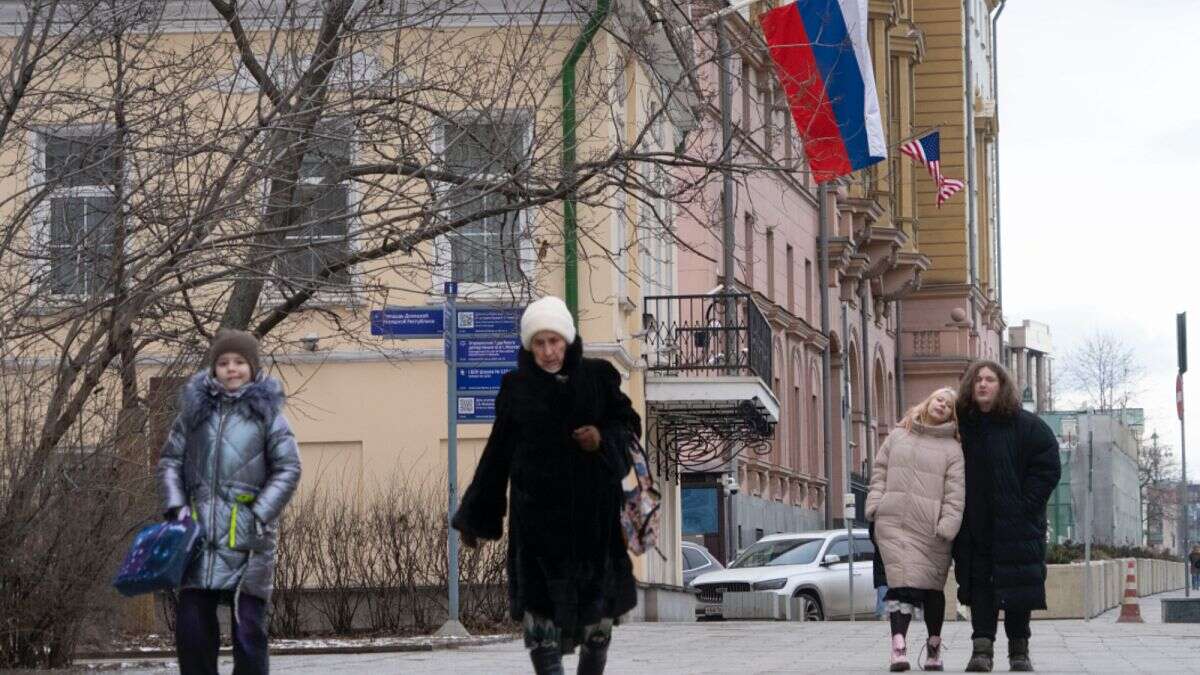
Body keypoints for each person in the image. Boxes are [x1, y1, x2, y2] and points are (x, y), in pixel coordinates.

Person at [452, 296, 641, 675]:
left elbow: (630, 428)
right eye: (539, 343)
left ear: (567, 340)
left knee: (598, 626)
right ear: (529, 346)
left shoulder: (598, 377)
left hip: (594, 527)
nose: (548, 351)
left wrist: (602, 438)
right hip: (538, 530)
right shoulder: (516, 388)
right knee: (541, 626)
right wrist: (475, 517)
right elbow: (497, 453)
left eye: (554, 341)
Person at [157, 330, 302, 675]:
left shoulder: (268, 417)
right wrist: (177, 507)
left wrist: (260, 513)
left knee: (248, 628)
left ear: (252, 368)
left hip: (249, 539)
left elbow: (288, 468)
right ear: (214, 368)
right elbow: (169, 463)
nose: (231, 369)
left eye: (239, 362)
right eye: (223, 363)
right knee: (192, 627)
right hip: (198, 535)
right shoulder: (193, 416)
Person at [953, 360, 1060, 673]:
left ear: (1002, 385)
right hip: (976, 527)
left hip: (1017, 527)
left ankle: (1019, 652)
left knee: (1018, 591)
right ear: (970, 387)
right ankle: (981, 651)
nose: (983, 384)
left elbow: (1048, 467)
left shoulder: (1026, 425)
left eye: (990, 379)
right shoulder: (962, 426)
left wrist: (1026, 506)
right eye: (978, 380)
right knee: (979, 589)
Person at [866, 387, 965, 672]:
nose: (942, 405)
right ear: (928, 400)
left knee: (933, 587)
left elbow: (955, 493)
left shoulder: (953, 449)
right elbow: (880, 471)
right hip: (893, 522)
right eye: (939, 400)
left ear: (953, 415)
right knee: (900, 585)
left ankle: (933, 646)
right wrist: (875, 505)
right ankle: (898, 647)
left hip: (931, 530)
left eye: (948, 405)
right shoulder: (899, 434)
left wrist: (948, 523)